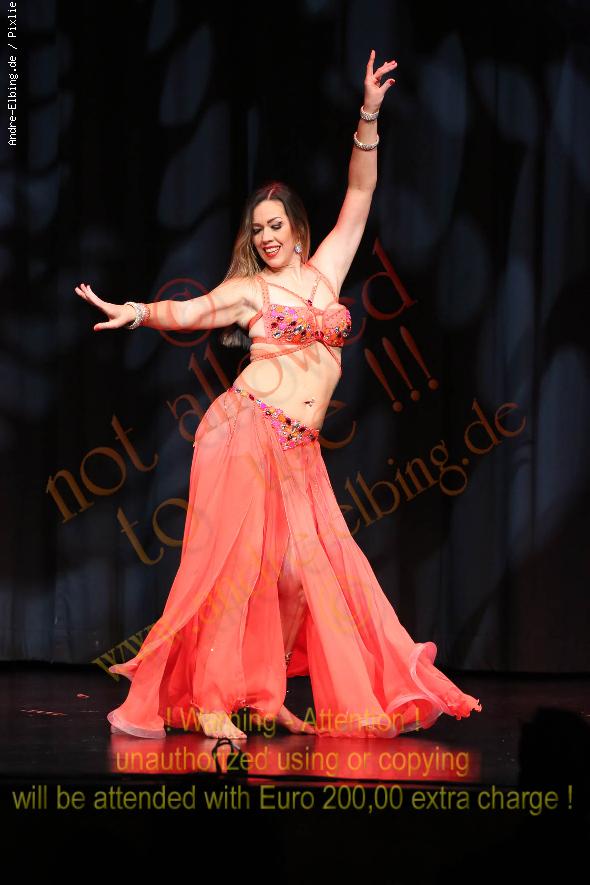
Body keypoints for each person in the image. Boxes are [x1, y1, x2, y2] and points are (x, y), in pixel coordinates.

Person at [75, 50, 482, 741]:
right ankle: (211, 701)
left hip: (300, 451)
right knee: (234, 570)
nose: (265, 236)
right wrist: (136, 311)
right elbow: (193, 311)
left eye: (275, 225)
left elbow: (360, 196)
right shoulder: (251, 292)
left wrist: (369, 115)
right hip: (244, 429)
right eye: (257, 228)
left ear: (296, 229)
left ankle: (263, 694)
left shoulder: (326, 273)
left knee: (297, 577)